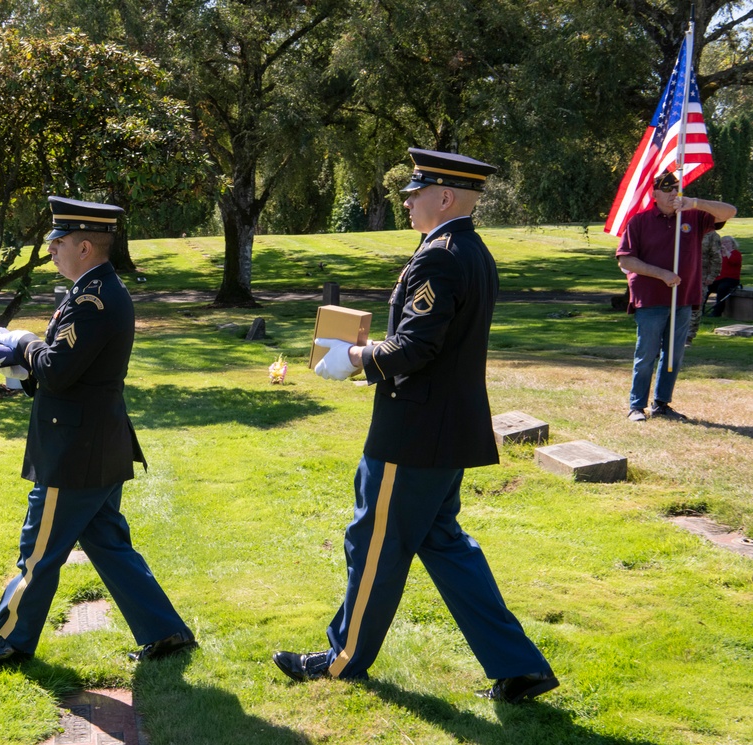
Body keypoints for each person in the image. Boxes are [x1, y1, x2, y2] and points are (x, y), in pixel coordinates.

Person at [272, 149, 558, 704]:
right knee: (445, 544)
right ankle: (519, 667)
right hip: (445, 429)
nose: (405, 200)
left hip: (415, 433)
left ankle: (342, 660)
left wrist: (355, 358)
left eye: (415, 191)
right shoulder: (470, 251)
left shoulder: (440, 257)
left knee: (373, 542)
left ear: (445, 197)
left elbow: (416, 346)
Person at [0, 196, 196, 664]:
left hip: (75, 449)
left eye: (58, 242)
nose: (51, 251)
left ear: (84, 246)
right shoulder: (95, 291)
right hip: (94, 443)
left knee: (39, 548)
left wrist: (20, 344)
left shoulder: (93, 298)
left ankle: (10, 640)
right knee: (107, 543)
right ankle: (165, 631)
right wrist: (31, 357)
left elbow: (59, 370)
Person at [616, 172, 736, 422]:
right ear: (654, 194)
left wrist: (694, 202)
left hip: (683, 297)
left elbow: (729, 211)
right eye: (666, 189)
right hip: (650, 298)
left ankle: (661, 403)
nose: (672, 194)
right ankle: (636, 406)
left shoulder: (692, 217)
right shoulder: (639, 222)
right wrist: (661, 274)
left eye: (676, 189)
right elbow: (626, 259)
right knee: (647, 353)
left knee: (673, 354)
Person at [686, 231, 722, 345]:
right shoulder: (682, 228)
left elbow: (716, 257)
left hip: (700, 276)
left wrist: (712, 276)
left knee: (696, 306)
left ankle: (688, 336)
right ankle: (669, 337)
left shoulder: (711, 235)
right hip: (678, 275)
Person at [704, 235, 742, 317]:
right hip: (718, 278)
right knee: (706, 287)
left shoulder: (736, 253)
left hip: (731, 279)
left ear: (732, 243)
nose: (724, 244)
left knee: (722, 288)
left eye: (727, 242)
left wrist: (727, 252)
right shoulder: (718, 255)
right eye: (722, 243)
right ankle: (700, 310)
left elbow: (734, 262)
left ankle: (717, 312)